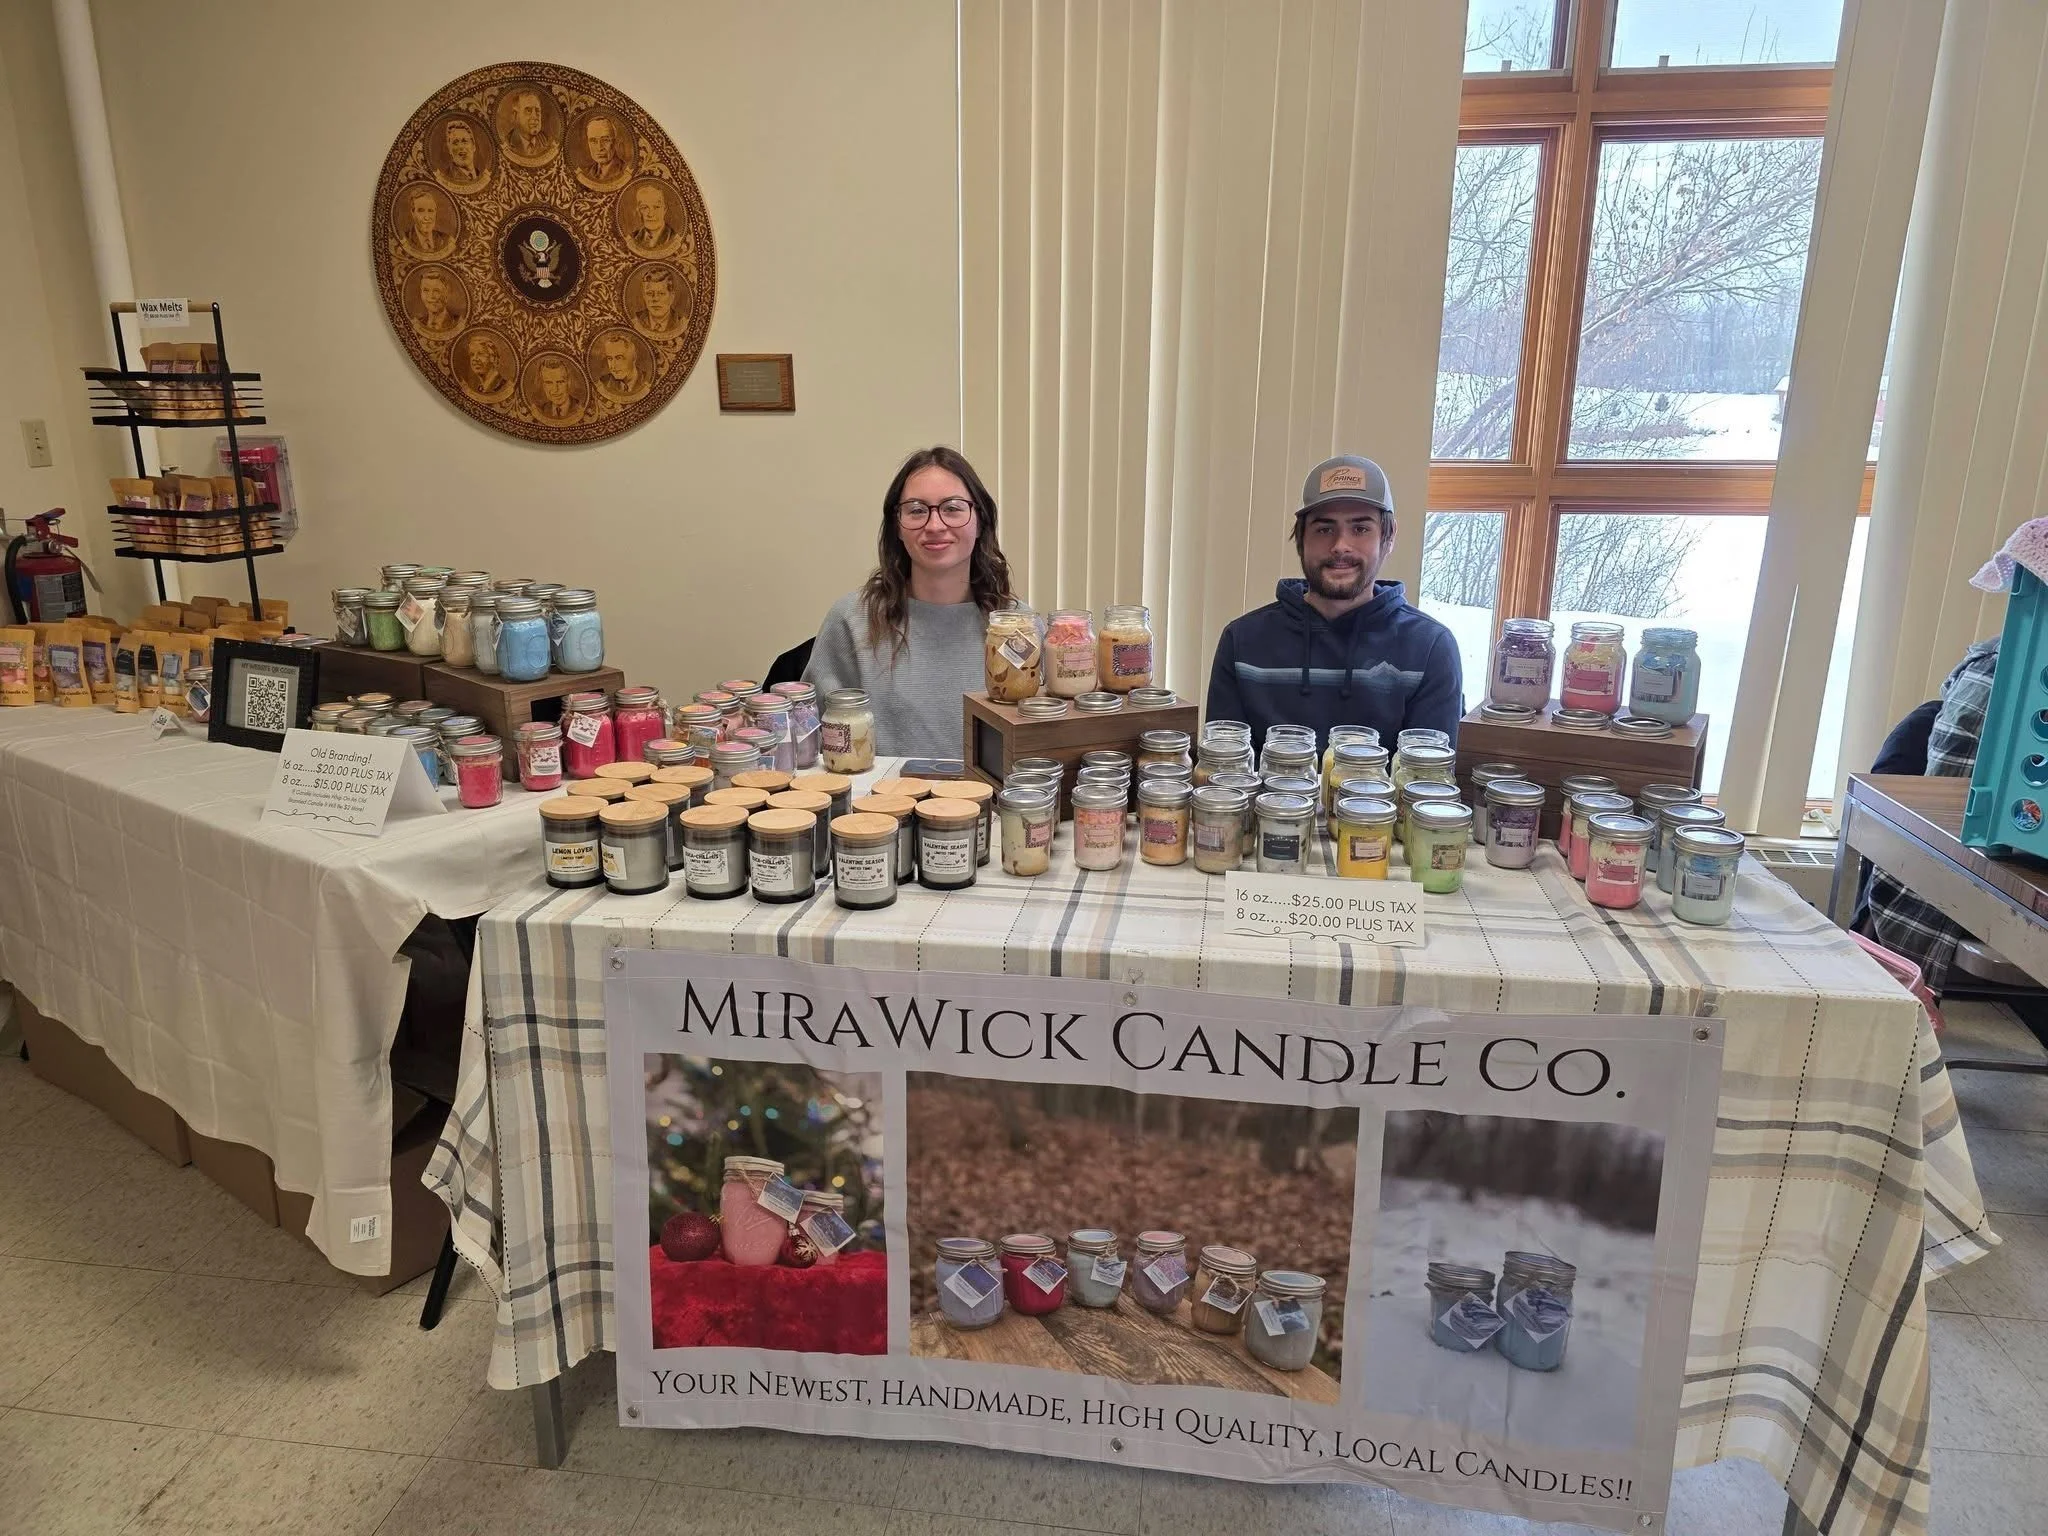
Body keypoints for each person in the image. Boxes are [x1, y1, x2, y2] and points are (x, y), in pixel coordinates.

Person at [1205, 454, 1462, 747]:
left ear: (1388, 539)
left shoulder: (1430, 647)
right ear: (1301, 539)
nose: (1340, 545)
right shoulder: (1242, 642)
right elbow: (1223, 772)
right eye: (1324, 529)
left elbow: (1428, 780)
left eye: (1360, 529)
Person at [804, 446, 1015, 758]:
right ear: (897, 527)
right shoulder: (851, 619)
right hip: (878, 804)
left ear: (980, 520)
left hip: (994, 804)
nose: (934, 525)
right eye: (916, 510)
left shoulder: (1018, 628)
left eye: (953, 508)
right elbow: (810, 741)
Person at [1857, 636, 2001, 992]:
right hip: (1975, 854)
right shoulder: (1999, 664)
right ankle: (1868, 950)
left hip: (1969, 866)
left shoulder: (1996, 666)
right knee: (1922, 723)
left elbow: (1947, 812)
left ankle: (1870, 955)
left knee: (1919, 731)